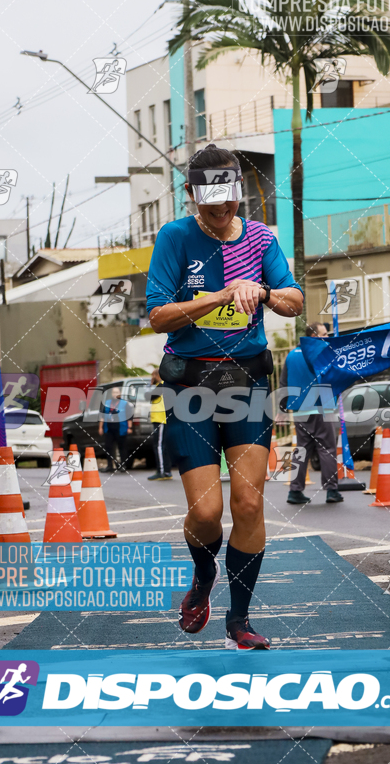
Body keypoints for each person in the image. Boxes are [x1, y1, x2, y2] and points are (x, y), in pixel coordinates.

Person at [147, 144, 303, 650]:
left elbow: (294, 301)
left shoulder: (261, 238)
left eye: (230, 200)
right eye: (211, 204)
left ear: (240, 192)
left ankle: (240, 620)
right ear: (192, 195)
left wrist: (263, 292)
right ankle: (202, 575)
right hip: (191, 384)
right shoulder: (175, 238)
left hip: (249, 381)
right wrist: (215, 296)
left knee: (250, 505)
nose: (222, 211)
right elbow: (158, 316)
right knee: (208, 513)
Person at [280, 322, 343, 505]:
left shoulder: (291, 356)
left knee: (302, 448)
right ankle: (331, 490)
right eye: (324, 334)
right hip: (323, 405)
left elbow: (284, 384)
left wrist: (283, 409)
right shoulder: (322, 355)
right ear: (314, 336)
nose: (328, 337)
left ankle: (295, 491)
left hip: (301, 408)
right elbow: (336, 378)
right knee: (327, 448)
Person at [98, 386, 132, 472]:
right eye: (114, 392)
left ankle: (123, 465)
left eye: (117, 392)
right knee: (108, 447)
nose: (115, 394)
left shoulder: (124, 404)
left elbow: (129, 417)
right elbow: (102, 416)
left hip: (120, 428)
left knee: (122, 447)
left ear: (120, 394)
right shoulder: (107, 403)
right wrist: (100, 427)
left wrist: (129, 427)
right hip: (109, 429)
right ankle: (110, 465)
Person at [147, 367, 172, 480]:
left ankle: (162, 471)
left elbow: (149, 397)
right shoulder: (162, 386)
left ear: (157, 375)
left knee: (158, 446)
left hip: (160, 419)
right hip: (161, 418)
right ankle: (166, 471)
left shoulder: (161, 385)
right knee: (163, 446)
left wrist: (150, 384)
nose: (152, 378)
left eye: (153, 375)